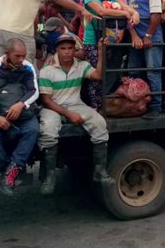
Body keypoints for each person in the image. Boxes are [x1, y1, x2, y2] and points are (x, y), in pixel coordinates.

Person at [37, 33, 114, 195]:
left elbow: (98, 76)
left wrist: (100, 52)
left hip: (75, 104)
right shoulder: (47, 69)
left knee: (100, 124)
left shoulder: (81, 65)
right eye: (63, 48)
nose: (66, 52)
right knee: (48, 131)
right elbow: (46, 100)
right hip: (53, 107)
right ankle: (50, 177)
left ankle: (99, 171)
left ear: (74, 50)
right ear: (57, 50)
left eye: (70, 48)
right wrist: (69, 114)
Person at [0, 38, 40, 196]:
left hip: (22, 111)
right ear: (6, 54)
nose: (21, 60)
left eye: (24, 56)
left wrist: (21, 104)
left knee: (33, 130)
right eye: (17, 56)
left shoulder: (28, 67)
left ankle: (12, 170)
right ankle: (2, 170)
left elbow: (34, 91)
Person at [82, 0, 139, 108]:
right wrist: (125, 14)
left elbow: (126, 7)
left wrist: (134, 13)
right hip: (93, 40)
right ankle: (95, 105)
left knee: (110, 71)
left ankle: (105, 103)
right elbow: (100, 11)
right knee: (96, 73)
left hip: (111, 39)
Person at [127, 0, 165, 118]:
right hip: (136, 37)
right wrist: (135, 34)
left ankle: (156, 107)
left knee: (152, 72)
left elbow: (156, 14)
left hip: (151, 37)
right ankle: (137, 104)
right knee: (134, 71)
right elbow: (128, 13)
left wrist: (148, 35)